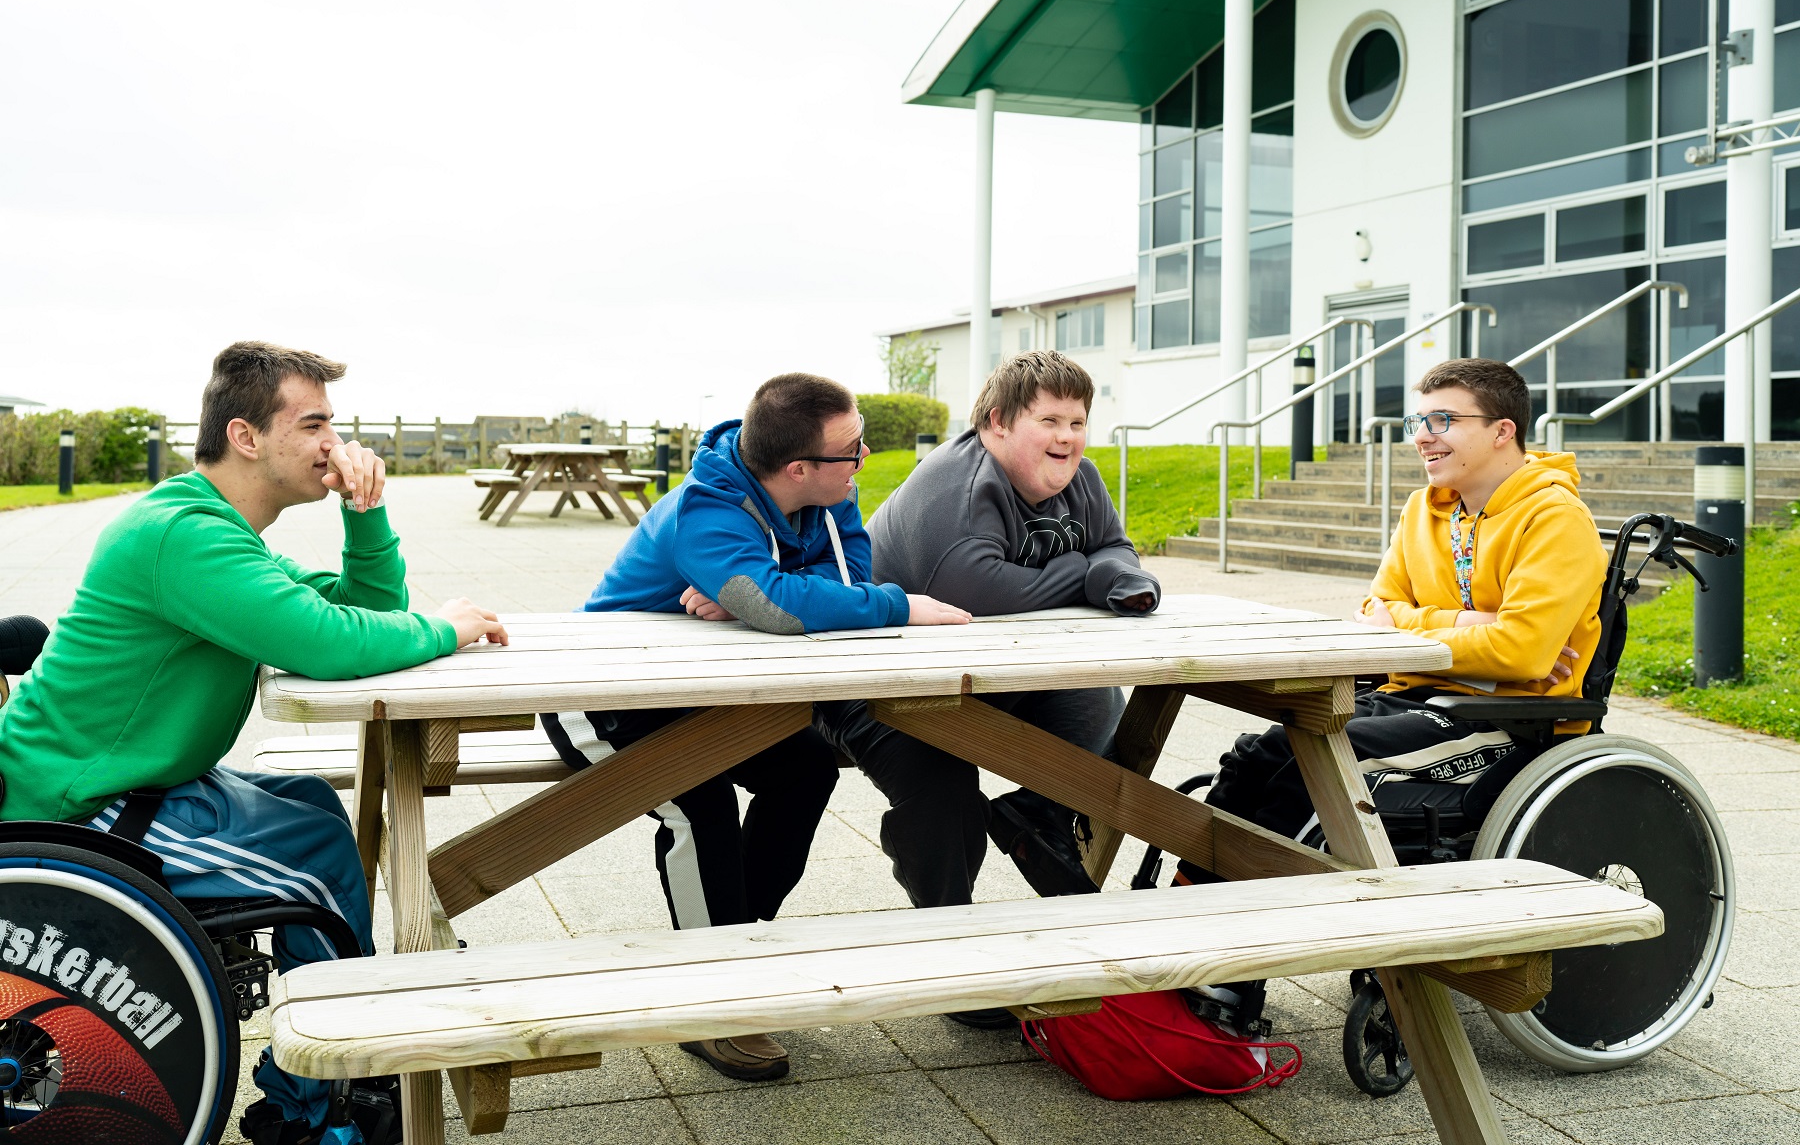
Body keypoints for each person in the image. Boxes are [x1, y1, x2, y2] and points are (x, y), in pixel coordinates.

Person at [0, 341, 508, 1145]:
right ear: (246, 436)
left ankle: (327, 1069)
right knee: (314, 875)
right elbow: (329, 642)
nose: (332, 445)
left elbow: (359, 614)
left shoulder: (216, 532)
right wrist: (447, 627)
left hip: (133, 782)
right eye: (314, 426)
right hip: (78, 808)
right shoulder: (184, 537)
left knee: (309, 803)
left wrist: (366, 519)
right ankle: (324, 1104)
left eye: (331, 426)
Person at [542, 372, 968, 1082]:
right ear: (800, 468)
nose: (864, 461)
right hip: (604, 697)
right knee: (700, 802)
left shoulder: (830, 498)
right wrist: (891, 605)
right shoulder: (706, 511)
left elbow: (835, 591)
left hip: (707, 697)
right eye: (852, 452)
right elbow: (786, 606)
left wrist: (762, 595)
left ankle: (734, 946)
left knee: (806, 770)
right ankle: (713, 1006)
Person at [829, 351, 1159, 1028]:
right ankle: (952, 952)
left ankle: (1038, 813)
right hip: (878, 688)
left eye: (1077, 421)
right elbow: (975, 588)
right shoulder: (959, 483)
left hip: (992, 679)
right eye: (1049, 420)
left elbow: (1118, 551)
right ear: (998, 422)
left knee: (1102, 710)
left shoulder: (1082, 479)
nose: (1067, 438)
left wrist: (1118, 576)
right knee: (944, 796)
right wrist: (1084, 572)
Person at [1202, 357, 1605, 844]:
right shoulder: (1423, 509)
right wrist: (1472, 622)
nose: (1422, 436)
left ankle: (1238, 902)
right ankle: (1188, 890)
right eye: (1419, 422)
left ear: (1502, 431)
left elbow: (1522, 652)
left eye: (1444, 421)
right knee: (1259, 753)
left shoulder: (1556, 518)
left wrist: (1402, 628)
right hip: (1408, 695)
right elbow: (1377, 609)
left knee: (1310, 767)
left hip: (1503, 718)